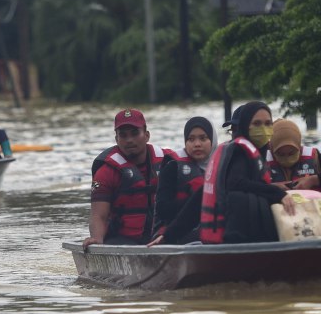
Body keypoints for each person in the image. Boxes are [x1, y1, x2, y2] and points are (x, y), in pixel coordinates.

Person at [152, 101, 294, 246]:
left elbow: (202, 197)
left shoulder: (253, 153)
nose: (263, 129)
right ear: (245, 126)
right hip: (237, 238)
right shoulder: (238, 153)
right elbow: (234, 183)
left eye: (268, 124)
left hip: (253, 235)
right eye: (257, 124)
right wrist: (277, 193)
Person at [82, 109, 173, 247]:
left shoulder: (169, 162)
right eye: (123, 135)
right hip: (122, 240)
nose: (129, 140)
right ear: (116, 139)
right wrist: (97, 240)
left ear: (146, 135)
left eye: (135, 133)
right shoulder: (106, 171)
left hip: (161, 236)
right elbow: (98, 216)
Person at [152, 116, 215, 244]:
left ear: (212, 141)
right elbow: (163, 210)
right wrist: (197, 202)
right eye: (191, 139)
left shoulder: (222, 166)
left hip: (211, 228)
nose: (197, 144)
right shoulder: (172, 165)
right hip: (174, 231)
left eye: (203, 138)